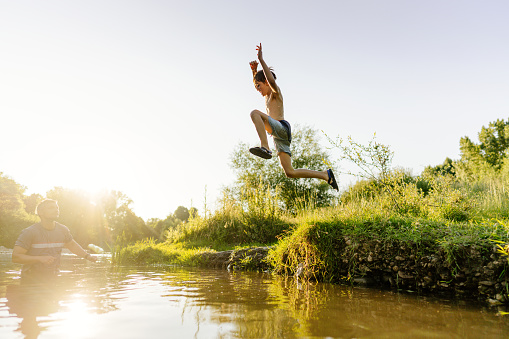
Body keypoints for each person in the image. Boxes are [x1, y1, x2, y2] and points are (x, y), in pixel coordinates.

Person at [248, 43, 339, 190]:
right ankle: (325, 175)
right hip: (279, 135)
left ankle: (265, 147)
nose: (257, 89)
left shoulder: (275, 93)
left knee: (254, 113)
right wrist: (253, 71)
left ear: (265, 82)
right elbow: (259, 82)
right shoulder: (266, 97)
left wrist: (262, 60)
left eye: (259, 86)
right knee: (289, 172)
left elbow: (270, 81)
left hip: (281, 127)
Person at [12, 199, 97, 282]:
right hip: (30, 279)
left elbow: (72, 245)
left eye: (57, 208)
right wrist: (39, 259)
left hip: (53, 278)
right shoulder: (29, 232)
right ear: (40, 212)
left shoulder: (63, 230)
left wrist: (88, 256)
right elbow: (16, 257)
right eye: (51, 208)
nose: (56, 210)